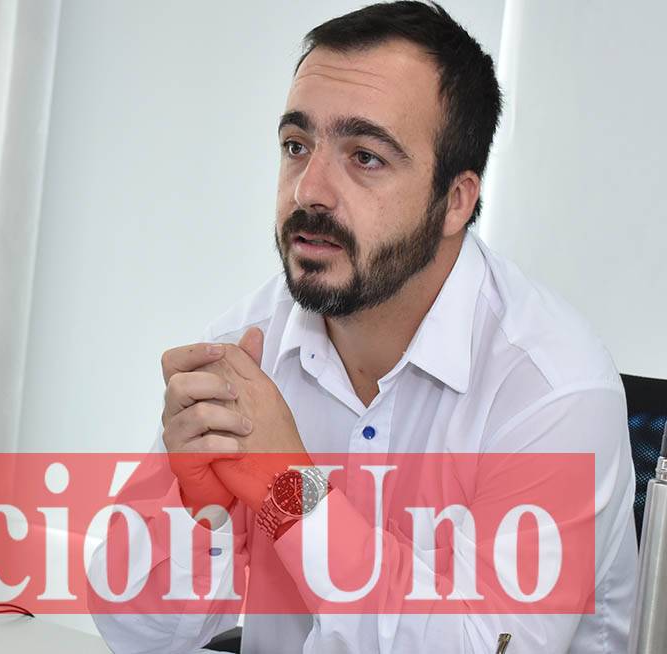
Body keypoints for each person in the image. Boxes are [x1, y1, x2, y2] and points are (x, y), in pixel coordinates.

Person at [90, 1, 636, 652]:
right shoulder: (251, 342)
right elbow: (135, 631)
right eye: (297, 146)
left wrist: (290, 491)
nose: (309, 191)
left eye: (366, 157)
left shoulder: (553, 388)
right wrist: (199, 508)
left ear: (455, 201)